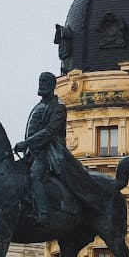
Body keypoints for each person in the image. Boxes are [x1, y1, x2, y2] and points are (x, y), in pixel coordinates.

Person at [14, 71, 83, 223]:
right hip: (34, 151)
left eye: (45, 82)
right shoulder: (39, 106)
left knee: (35, 175)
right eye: (40, 81)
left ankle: (42, 213)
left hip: (50, 152)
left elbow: (49, 132)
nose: (41, 85)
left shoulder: (58, 107)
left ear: (52, 86)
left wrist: (26, 143)